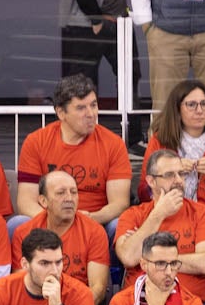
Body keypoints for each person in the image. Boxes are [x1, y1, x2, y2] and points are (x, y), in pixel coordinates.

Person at [116, 151, 205, 305]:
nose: (179, 181)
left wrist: (151, 260)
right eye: (169, 175)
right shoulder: (133, 215)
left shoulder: (204, 214)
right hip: (140, 303)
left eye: (181, 174)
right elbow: (129, 257)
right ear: (151, 181)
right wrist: (159, 214)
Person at [15, 77, 132, 225]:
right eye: (81, 108)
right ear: (61, 113)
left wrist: (88, 220)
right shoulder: (36, 142)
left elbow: (120, 203)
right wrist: (57, 221)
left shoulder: (114, 144)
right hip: (49, 223)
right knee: (18, 223)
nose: (91, 114)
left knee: (117, 225)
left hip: (95, 223)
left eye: (93, 105)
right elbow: (25, 202)